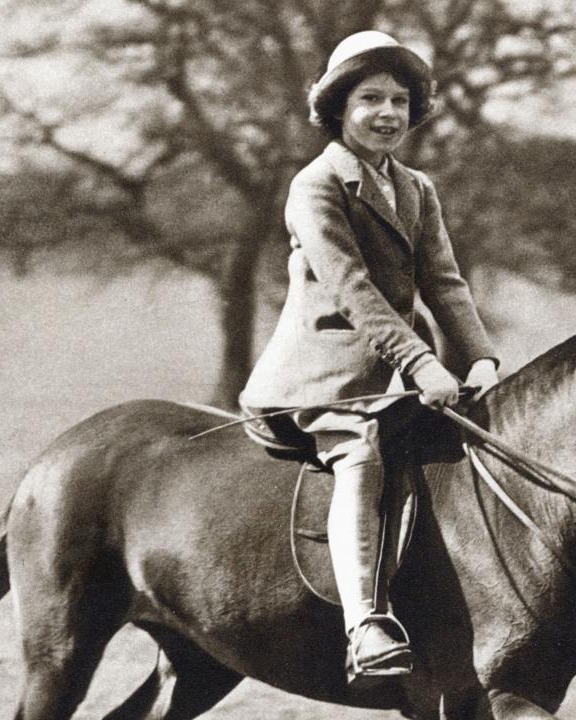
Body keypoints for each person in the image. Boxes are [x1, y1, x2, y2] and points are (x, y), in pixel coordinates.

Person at [240, 30, 499, 680]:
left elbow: (444, 282)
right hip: (322, 378)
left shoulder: (416, 188)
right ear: (338, 109)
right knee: (360, 455)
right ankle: (366, 624)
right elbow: (353, 290)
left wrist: (479, 358)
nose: (387, 113)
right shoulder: (315, 184)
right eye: (370, 98)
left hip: (404, 373)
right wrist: (424, 364)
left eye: (400, 101)